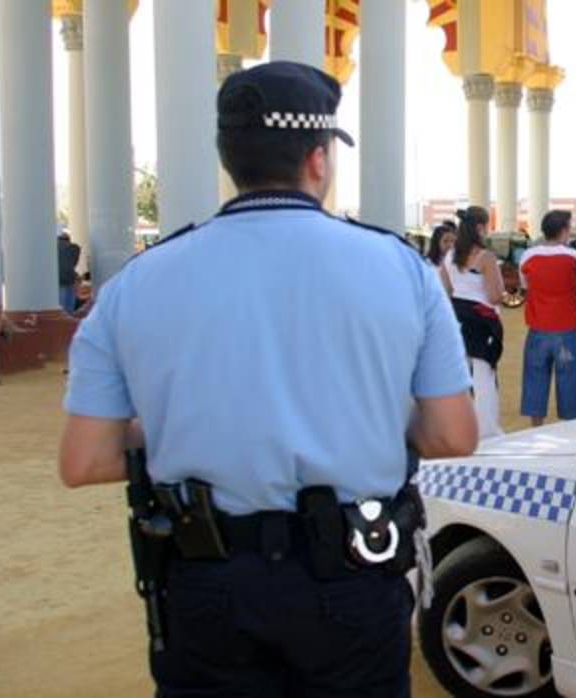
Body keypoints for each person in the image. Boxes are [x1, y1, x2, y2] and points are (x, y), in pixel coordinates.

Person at [57, 61, 478, 698]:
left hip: (205, 579)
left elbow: (84, 460)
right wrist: (359, 418)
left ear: (229, 157)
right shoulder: (402, 269)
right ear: (317, 158)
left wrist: (180, 427)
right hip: (351, 576)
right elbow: (452, 436)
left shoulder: (138, 283)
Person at [440, 206, 506, 440]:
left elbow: (446, 291)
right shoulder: (485, 257)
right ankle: (487, 431)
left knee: (461, 377)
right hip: (482, 321)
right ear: (480, 227)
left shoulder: (448, 257)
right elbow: (495, 296)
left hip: (457, 317)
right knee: (484, 377)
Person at [518, 210, 576, 426]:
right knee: (570, 379)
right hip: (566, 326)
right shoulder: (573, 257)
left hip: (538, 326)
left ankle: (536, 426)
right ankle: (569, 426)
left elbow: (525, 286)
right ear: (564, 231)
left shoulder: (528, 256)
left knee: (535, 376)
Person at [57, 231, 81, 312]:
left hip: (59, 279)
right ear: (69, 239)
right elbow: (74, 263)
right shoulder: (75, 247)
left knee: (61, 305)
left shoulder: (52, 248)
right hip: (71, 277)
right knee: (70, 305)